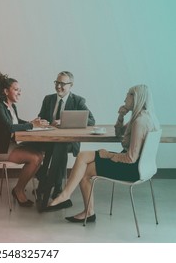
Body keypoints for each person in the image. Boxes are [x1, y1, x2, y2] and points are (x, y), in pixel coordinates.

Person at [45, 84, 160, 223]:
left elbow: (130, 158)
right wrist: (121, 115)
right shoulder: (143, 117)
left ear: (136, 98)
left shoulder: (140, 122)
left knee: (86, 171)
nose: (124, 99)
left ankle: (85, 209)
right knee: (82, 156)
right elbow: (119, 134)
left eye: (128, 95)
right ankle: (66, 195)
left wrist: (108, 154)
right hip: (142, 166)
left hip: (132, 169)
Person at [0, 72, 48, 207]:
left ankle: (25, 187)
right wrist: (31, 125)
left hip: (6, 145)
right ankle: (18, 190)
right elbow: (10, 127)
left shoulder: (11, 106)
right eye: (16, 90)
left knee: (40, 154)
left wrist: (32, 122)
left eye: (19, 90)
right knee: (34, 158)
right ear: (6, 91)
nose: (19, 93)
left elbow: (16, 122)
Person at [36, 71, 95, 211]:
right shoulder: (48, 99)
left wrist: (64, 121)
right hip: (49, 139)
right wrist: (42, 121)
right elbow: (41, 117)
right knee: (50, 148)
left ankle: (52, 186)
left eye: (62, 84)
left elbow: (91, 120)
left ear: (71, 85)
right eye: (57, 83)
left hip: (68, 142)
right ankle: (49, 184)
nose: (58, 87)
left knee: (59, 148)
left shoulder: (78, 101)